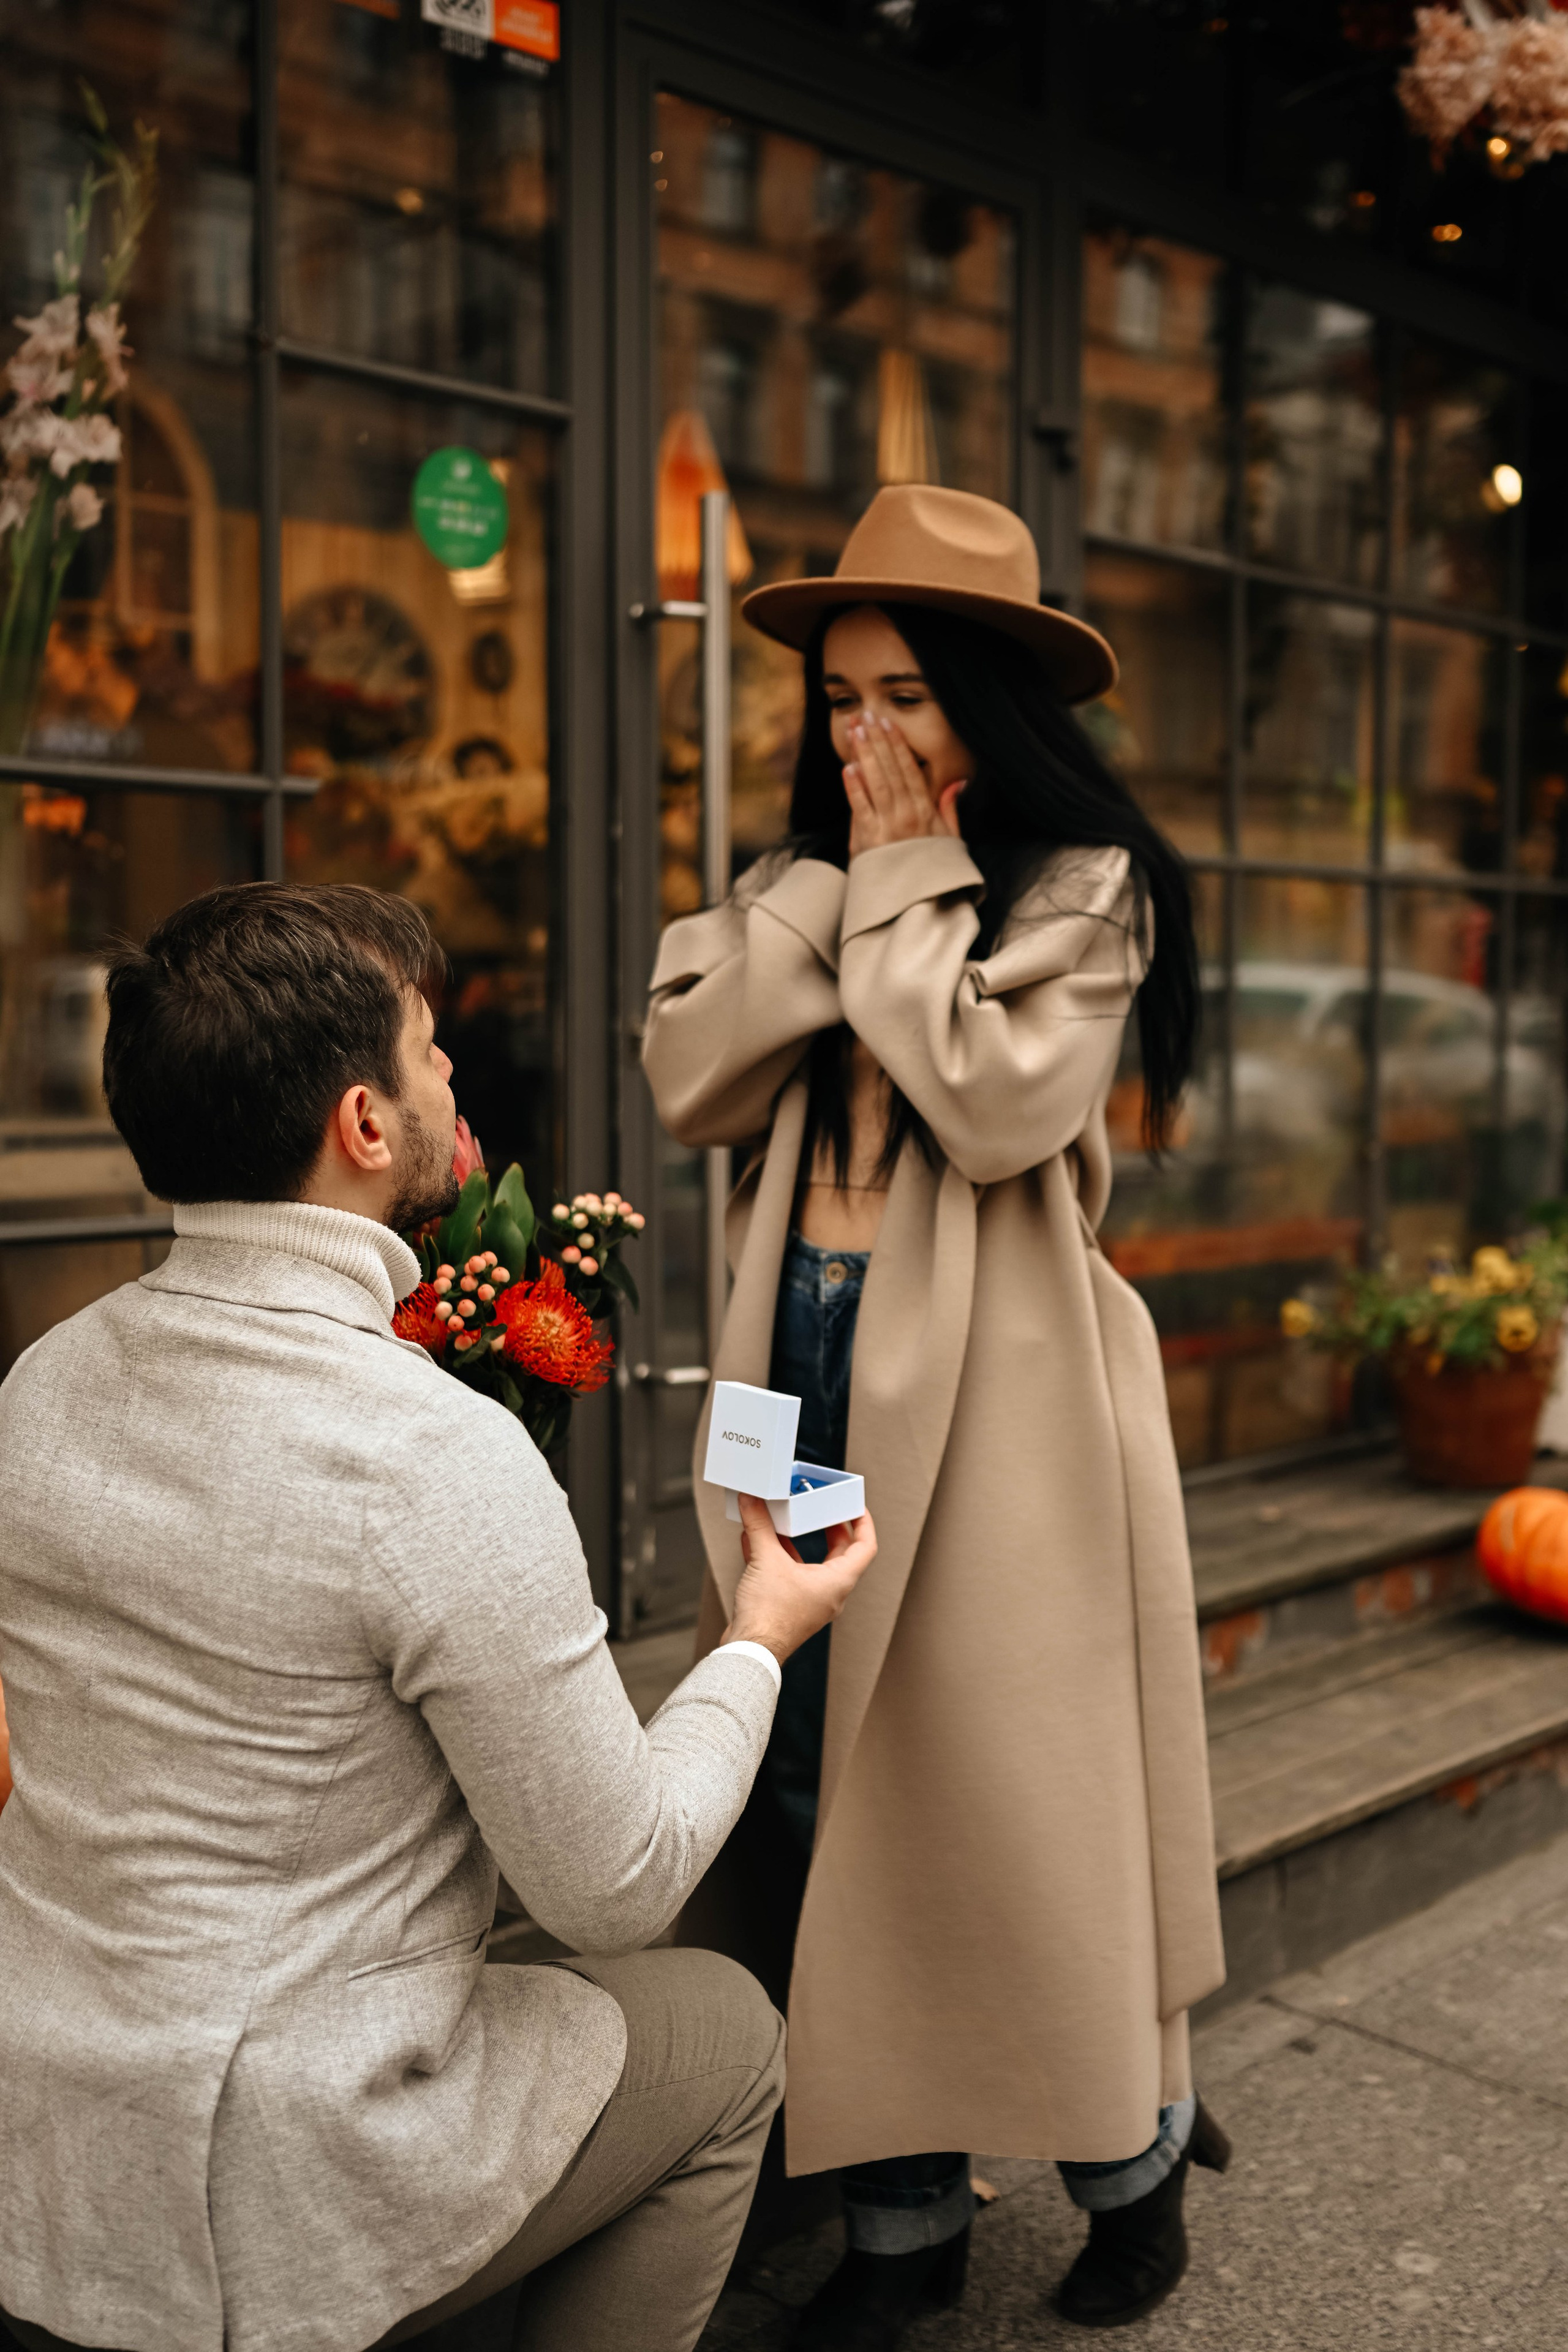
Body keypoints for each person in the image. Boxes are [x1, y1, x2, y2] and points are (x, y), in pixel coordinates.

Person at [0, 882, 876, 2352]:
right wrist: (759, 1637)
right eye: (426, 1046)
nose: (452, 1070)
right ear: (362, 1123)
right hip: (267, 2168)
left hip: (43, 2122)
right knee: (725, 2035)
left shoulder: (43, 1381)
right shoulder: (431, 1452)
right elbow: (617, 1887)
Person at [643, 485, 1229, 2348]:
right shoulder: (804, 880)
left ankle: (1131, 2159)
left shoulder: (1085, 890)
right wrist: (845, 881)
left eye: (903, 694)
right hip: (799, 1361)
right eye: (839, 699)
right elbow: (690, 1077)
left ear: (989, 702)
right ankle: (902, 2233)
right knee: (817, 1782)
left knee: (1006, 1799)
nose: (865, 735)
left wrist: (897, 882)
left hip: (1003, 1403)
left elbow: (989, 1103)